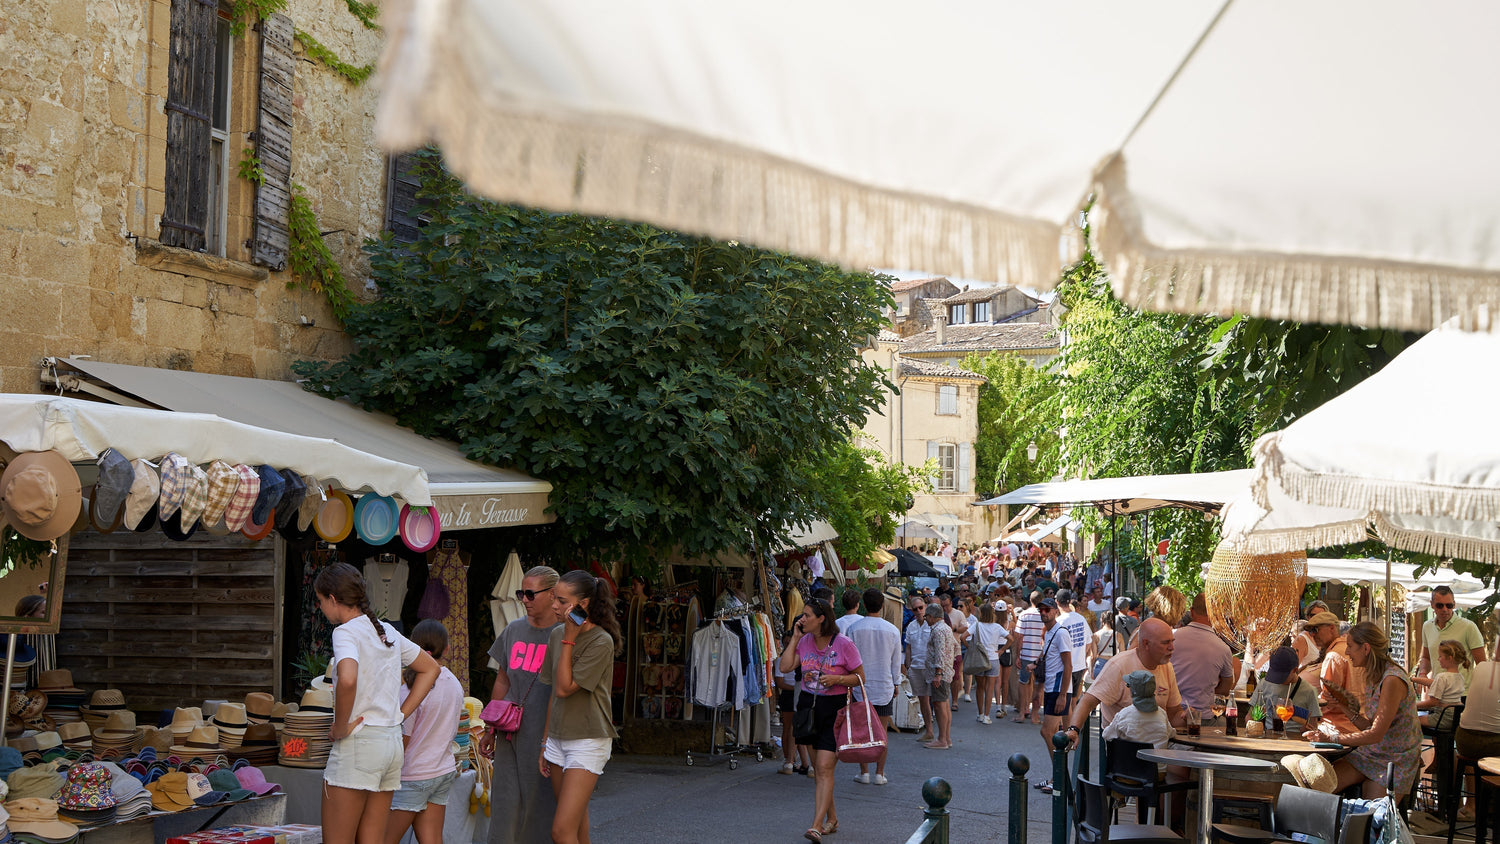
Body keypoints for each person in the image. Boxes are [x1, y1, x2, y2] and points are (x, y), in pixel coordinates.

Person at [314, 563, 440, 844]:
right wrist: (400, 715)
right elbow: (431, 668)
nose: (320, 608)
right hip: (390, 743)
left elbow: (348, 679)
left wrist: (341, 726)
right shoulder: (386, 631)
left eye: (321, 601)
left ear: (333, 599)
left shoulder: (345, 632)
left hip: (359, 742)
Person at [539, 570, 621, 844]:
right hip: (557, 738)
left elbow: (565, 687)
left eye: (562, 601)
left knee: (561, 831)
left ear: (582, 604)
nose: (554, 605)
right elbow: (554, 694)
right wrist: (545, 742)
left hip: (588, 740)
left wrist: (569, 639)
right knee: (576, 829)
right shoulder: (556, 634)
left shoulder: (601, 641)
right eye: (554, 598)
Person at [778, 596, 865, 843]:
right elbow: (785, 667)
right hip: (809, 708)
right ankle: (832, 818)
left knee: (825, 767)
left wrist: (837, 679)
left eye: (807, 615)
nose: (802, 619)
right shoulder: (804, 641)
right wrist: (795, 638)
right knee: (820, 769)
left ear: (821, 619)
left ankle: (816, 826)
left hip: (835, 709)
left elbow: (861, 678)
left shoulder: (844, 644)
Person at [484, 566, 561, 844]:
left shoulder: (564, 634)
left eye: (530, 594)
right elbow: (502, 680)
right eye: (521, 593)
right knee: (504, 802)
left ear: (552, 594)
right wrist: (490, 728)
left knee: (540, 804)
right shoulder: (513, 629)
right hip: (509, 730)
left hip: (544, 734)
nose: (524, 600)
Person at [1312, 621, 1421, 799]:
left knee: (1372, 814)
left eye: (1350, 646)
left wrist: (1331, 739)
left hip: (1395, 759)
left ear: (1366, 648)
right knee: (1317, 787)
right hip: (1371, 753)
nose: (1347, 652)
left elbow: (1375, 734)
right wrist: (1343, 707)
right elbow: (1370, 728)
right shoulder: (1374, 675)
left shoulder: (1392, 680)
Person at [386, 620, 464, 844]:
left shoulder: (410, 688)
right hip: (442, 770)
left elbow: (403, 737)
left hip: (413, 774)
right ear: (447, 649)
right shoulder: (454, 683)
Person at [1065, 618, 1187, 750]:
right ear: (1146, 644)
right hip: (1123, 750)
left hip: (1157, 748)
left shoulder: (1167, 667)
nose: (1172, 647)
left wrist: (1187, 717)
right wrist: (1073, 729)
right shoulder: (1119, 665)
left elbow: (1173, 716)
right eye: (1165, 642)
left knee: (1189, 758)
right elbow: (1087, 701)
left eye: (1172, 641)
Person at [848, 588, 901, 785]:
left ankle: (864, 772)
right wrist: (896, 682)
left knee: (862, 730)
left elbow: (849, 660)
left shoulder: (854, 629)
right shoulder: (892, 630)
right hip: (884, 684)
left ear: (863, 604)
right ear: (882, 605)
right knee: (882, 731)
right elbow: (896, 662)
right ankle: (880, 772)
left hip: (859, 686)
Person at [1456, 619, 1500, 820]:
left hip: (1466, 741)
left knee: (1470, 754)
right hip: (1493, 746)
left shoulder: (1481, 668)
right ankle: (1492, 808)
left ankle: (1472, 806)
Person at [1170, 594, 1235, 727]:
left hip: (1171, 714)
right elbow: (1225, 689)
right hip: (1204, 718)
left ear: (1192, 611)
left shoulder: (1171, 638)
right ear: (1216, 615)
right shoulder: (1223, 648)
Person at [1035, 597, 1072, 792]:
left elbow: (1068, 665)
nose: (1044, 613)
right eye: (1041, 610)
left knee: (1047, 732)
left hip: (1058, 689)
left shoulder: (1061, 632)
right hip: (1051, 687)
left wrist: (1063, 695)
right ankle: (1055, 776)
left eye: (1047, 609)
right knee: (1052, 733)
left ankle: (1059, 777)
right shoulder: (1048, 632)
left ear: (1055, 611)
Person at [1417, 586, 1486, 685]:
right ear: (1432, 604)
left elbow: (1482, 664)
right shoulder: (1427, 626)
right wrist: (1423, 673)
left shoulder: (1468, 627)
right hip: (1438, 690)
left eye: (1449, 605)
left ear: (1454, 604)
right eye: (1440, 605)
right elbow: (1426, 657)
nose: (1445, 609)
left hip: (1462, 691)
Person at [1307, 612, 1362, 733]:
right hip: (1359, 725)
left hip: (1337, 727)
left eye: (1315, 630)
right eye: (1310, 631)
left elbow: (1328, 701)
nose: (1312, 635)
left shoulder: (1333, 656)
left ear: (1332, 628)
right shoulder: (1352, 650)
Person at [1249, 647, 1321, 731]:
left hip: (1295, 736)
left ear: (1295, 670)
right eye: (1274, 674)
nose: (1276, 679)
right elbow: (1250, 716)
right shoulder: (1264, 684)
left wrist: (1306, 729)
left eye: (1281, 676)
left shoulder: (1309, 691)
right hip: (1269, 735)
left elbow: (1313, 725)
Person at [1101, 670, 1174, 749]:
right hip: (1157, 757)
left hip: (1129, 757)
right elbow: (1171, 733)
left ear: (1133, 691)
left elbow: (1106, 735)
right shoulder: (1162, 714)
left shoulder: (1124, 715)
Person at [775, 632, 814, 776]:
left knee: (797, 726)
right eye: (785, 643)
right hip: (795, 691)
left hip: (800, 688)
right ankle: (793, 761)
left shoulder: (799, 655)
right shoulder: (784, 659)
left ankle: (796, 763)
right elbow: (780, 682)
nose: (787, 645)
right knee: (793, 726)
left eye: (789, 642)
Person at [923, 603, 957, 750]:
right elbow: (955, 646)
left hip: (940, 674)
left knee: (939, 705)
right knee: (944, 704)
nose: (925, 619)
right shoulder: (946, 628)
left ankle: (942, 739)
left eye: (926, 616)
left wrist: (938, 673)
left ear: (931, 616)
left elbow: (940, 652)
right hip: (946, 671)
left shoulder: (938, 630)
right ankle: (946, 738)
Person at [966, 603, 1008, 724]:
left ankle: (980, 714)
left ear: (981, 614)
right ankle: (986, 716)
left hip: (979, 659)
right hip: (993, 658)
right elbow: (1010, 638)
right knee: (990, 688)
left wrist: (970, 648)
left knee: (980, 687)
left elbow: (963, 637)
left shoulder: (976, 625)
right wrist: (1002, 650)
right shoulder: (997, 627)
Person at [1415, 640, 1471, 728]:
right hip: (1455, 718)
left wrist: (1413, 705)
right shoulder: (1460, 677)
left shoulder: (1442, 677)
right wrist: (1413, 679)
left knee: (1411, 720)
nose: (1438, 659)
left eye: (1440, 656)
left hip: (1442, 718)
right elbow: (1434, 683)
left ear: (1450, 658)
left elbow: (1433, 702)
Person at [903, 596, 935, 743]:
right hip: (916, 667)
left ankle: (942, 735)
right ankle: (929, 731)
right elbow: (908, 647)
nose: (918, 611)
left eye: (920, 608)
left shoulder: (933, 624)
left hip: (931, 667)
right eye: (915, 609)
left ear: (925, 606)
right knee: (923, 700)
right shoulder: (911, 626)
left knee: (938, 701)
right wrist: (908, 665)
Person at [1055, 591, 1090, 713]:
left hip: (1064, 666)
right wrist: (1081, 655)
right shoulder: (1081, 618)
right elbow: (1088, 642)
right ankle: (1073, 723)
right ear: (1070, 602)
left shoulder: (1059, 622)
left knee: (1064, 699)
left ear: (1057, 602)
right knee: (1073, 699)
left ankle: (1063, 723)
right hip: (1079, 665)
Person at [1014, 593, 1043, 724]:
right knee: (1038, 686)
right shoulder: (1045, 614)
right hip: (1040, 655)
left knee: (1023, 682)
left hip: (1026, 653)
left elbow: (1019, 637)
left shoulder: (1024, 615)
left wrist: (1018, 656)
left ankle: (1022, 712)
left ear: (1030, 600)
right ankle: (1034, 715)